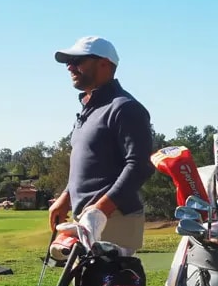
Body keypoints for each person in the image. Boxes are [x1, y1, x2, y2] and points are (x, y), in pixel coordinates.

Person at [47, 36, 155, 255]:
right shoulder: (90, 109)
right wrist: (65, 198)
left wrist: (100, 210)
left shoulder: (124, 108)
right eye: (69, 62)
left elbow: (140, 166)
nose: (70, 66)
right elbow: (90, 165)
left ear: (104, 64)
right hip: (89, 218)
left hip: (114, 219)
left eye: (78, 61)